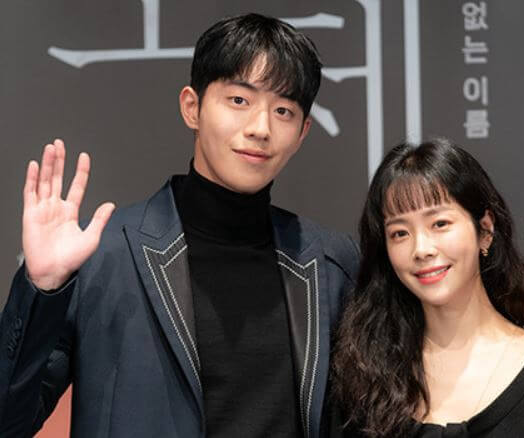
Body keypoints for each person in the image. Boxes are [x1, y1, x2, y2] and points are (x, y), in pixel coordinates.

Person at [0, 13, 359, 438]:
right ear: (192, 107)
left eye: (283, 110)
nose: (260, 128)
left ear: (302, 132)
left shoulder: (331, 265)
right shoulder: (106, 254)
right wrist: (41, 289)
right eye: (239, 101)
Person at [330, 138, 524, 438]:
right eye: (399, 233)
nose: (421, 249)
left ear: (485, 229)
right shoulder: (367, 369)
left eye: (439, 224)